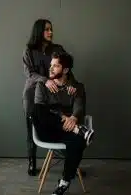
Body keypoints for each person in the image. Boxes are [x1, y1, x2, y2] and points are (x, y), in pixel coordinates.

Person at [22, 19, 78, 176]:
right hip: (32, 93)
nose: (50, 32)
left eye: (51, 29)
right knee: (31, 127)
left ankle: (71, 160)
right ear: (39, 31)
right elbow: (29, 74)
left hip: (56, 93)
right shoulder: (29, 51)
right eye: (47, 29)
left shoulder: (57, 48)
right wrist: (45, 80)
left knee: (60, 120)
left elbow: (68, 69)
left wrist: (71, 84)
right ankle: (32, 162)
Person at [32, 51, 87, 195]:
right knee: (36, 109)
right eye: (51, 65)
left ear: (66, 70)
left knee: (79, 142)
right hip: (48, 130)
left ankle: (64, 183)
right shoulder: (42, 86)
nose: (50, 68)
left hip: (66, 132)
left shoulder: (76, 87)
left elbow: (79, 106)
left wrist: (74, 118)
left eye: (55, 66)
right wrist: (63, 117)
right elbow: (40, 113)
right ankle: (78, 130)